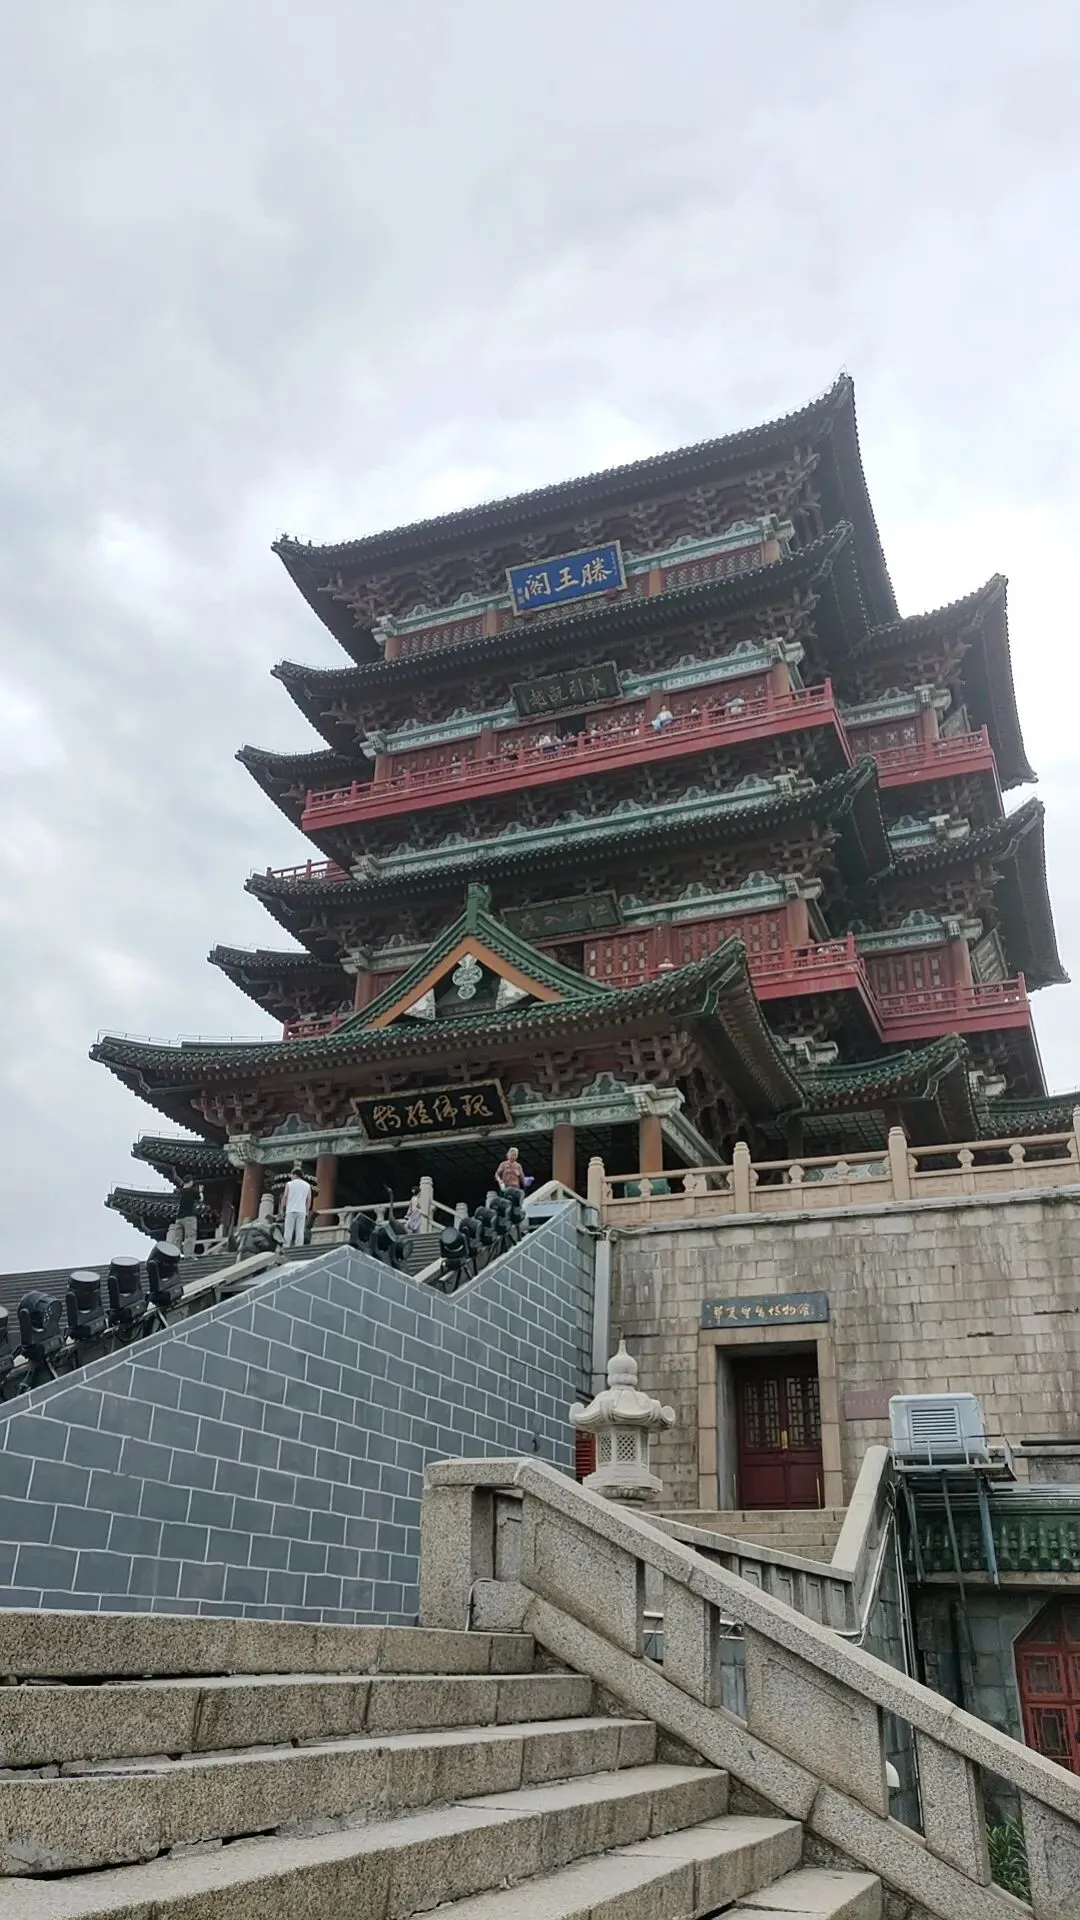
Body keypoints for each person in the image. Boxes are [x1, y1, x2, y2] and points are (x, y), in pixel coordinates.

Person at [282, 1166, 313, 1247]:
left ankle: (286, 1246)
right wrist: (306, 1211)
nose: (291, 1177)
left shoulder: (289, 1184)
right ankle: (299, 1246)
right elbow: (309, 1199)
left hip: (290, 1210)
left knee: (288, 1231)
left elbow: (285, 1197)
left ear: (295, 1175)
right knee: (300, 1231)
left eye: (292, 1175)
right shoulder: (307, 1185)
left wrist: (282, 1209)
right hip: (302, 1211)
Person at [169, 1177, 200, 1258]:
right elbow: (200, 1199)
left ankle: (175, 1255)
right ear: (191, 1182)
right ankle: (188, 1255)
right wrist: (200, 1191)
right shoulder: (192, 1191)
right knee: (189, 1236)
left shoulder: (179, 1192)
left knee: (177, 1239)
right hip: (189, 1217)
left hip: (179, 1218)